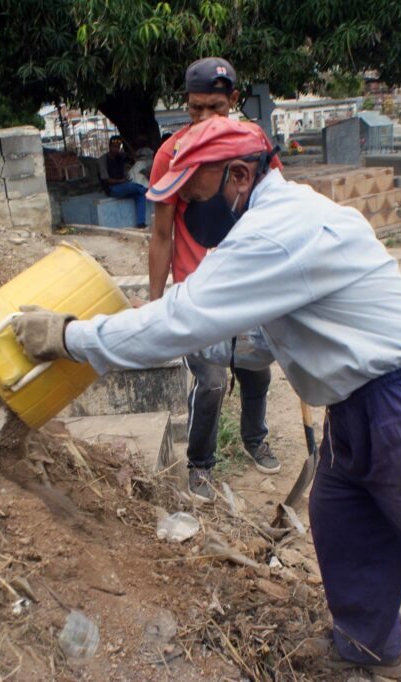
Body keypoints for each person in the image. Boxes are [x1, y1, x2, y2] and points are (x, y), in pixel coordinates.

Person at [12, 116, 401, 681]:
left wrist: (67, 337)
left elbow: (180, 321)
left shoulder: (278, 229)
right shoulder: (261, 225)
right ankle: (366, 648)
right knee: (342, 520)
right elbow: (197, 302)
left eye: (193, 195)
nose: (186, 211)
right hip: (361, 407)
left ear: (239, 176)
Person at [148, 57, 284, 502]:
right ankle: (200, 464)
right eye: (195, 109)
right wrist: (155, 304)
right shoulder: (173, 155)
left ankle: (253, 439)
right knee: (208, 384)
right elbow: (162, 234)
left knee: (256, 372)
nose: (205, 120)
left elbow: (275, 212)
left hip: (248, 290)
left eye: (216, 108)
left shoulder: (255, 145)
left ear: (234, 102)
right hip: (198, 291)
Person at [97, 135, 148, 227]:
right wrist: (121, 181)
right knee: (134, 187)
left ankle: (141, 223)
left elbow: (135, 156)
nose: (116, 149)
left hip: (123, 186)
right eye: (114, 147)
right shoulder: (103, 159)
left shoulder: (120, 156)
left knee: (140, 195)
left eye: (118, 147)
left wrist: (125, 141)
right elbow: (106, 179)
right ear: (109, 147)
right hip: (112, 189)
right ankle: (149, 192)